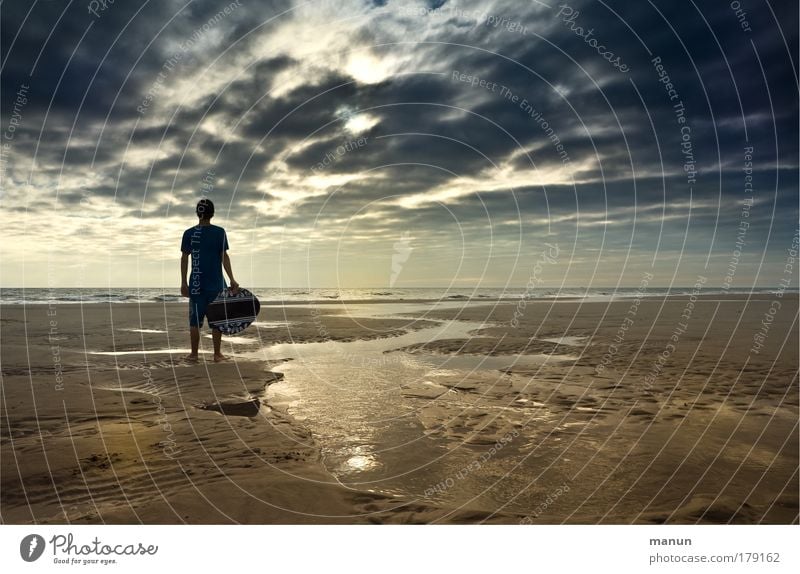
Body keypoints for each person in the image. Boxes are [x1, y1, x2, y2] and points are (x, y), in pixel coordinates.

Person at [180, 199, 239, 362]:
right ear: (212, 213)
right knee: (217, 319)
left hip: (196, 284)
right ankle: (217, 354)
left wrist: (184, 282)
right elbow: (224, 257)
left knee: (195, 320)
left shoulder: (189, 233)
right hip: (216, 284)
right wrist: (232, 279)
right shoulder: (220, 232)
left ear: (198, 213)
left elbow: (184, 258)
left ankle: (194, 354)